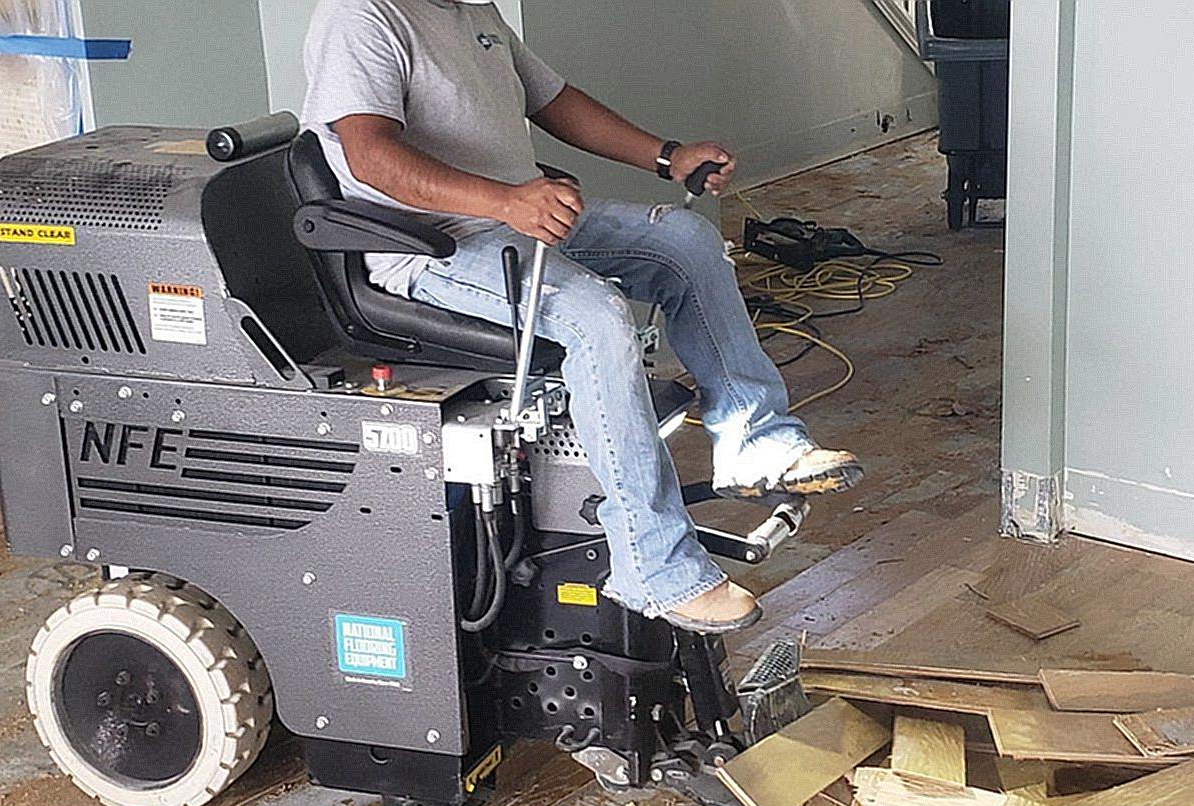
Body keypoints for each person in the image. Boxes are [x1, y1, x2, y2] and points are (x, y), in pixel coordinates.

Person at [302, 0, 864, 633]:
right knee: (595, 315)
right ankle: (655, 569)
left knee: (687, 244)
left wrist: (666, 156)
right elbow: (370, 157)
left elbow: (554, 101)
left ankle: (754, 445)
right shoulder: (360, 17)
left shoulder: (469, 10)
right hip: (434, 246)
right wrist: (507, 201)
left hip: (519, 217)